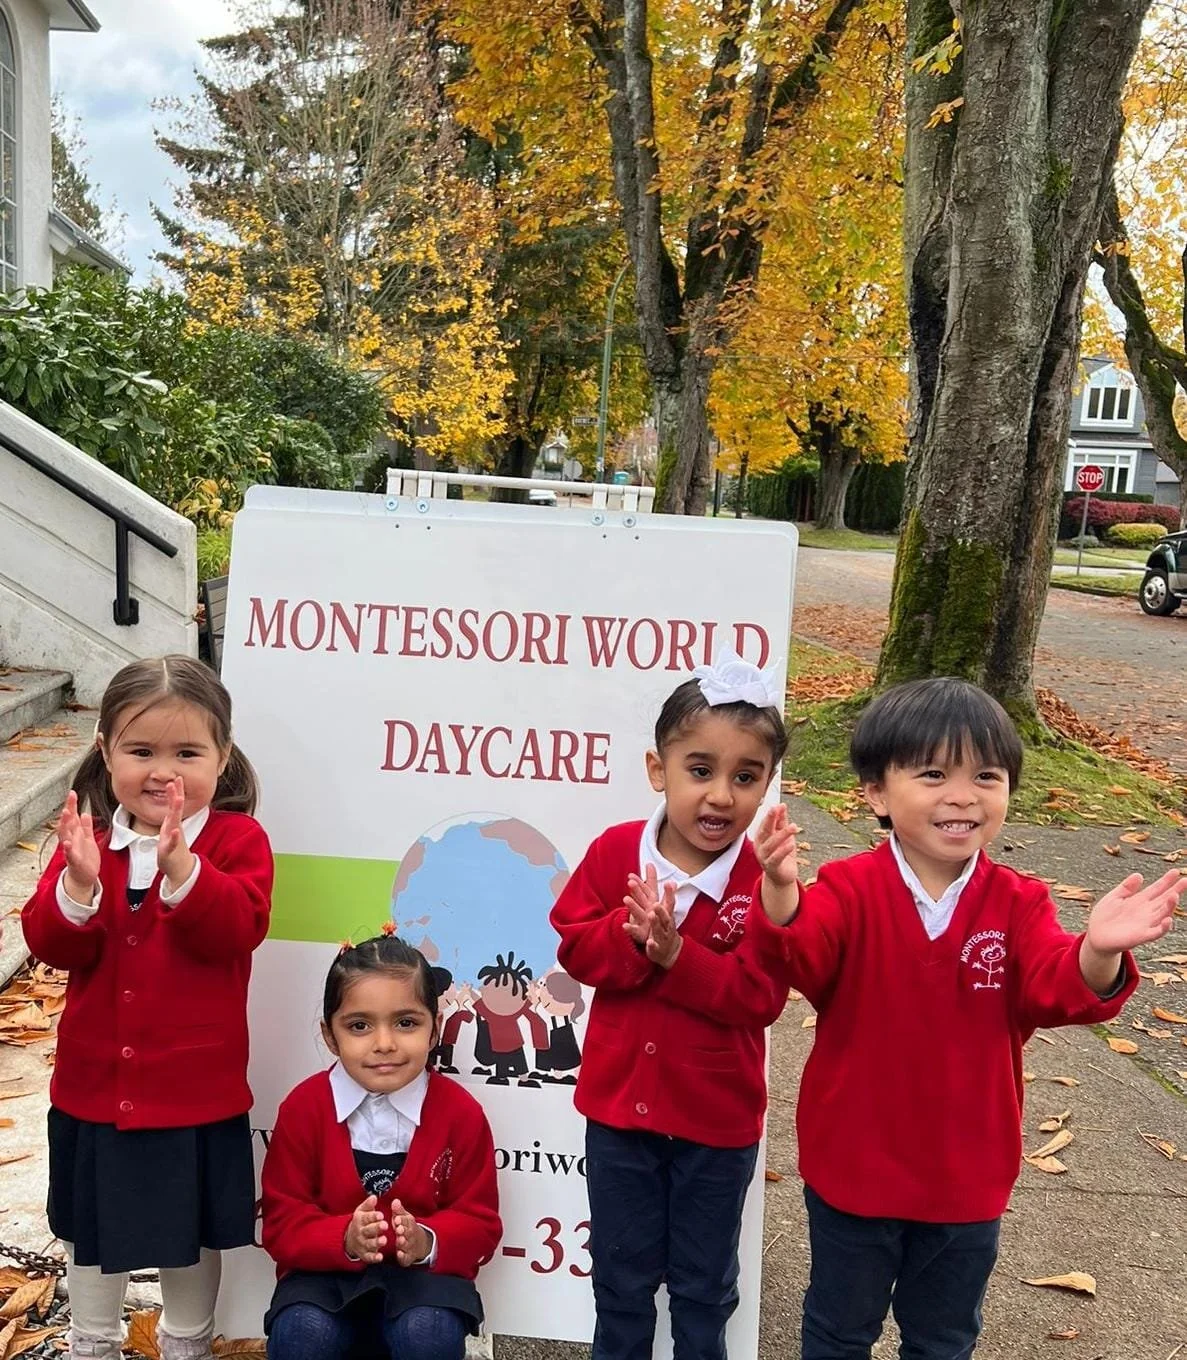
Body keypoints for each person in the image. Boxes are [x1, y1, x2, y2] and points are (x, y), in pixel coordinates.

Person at [745, 676, 1185, 1360]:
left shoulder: (1017, 903)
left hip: (966, 1176)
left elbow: (1054, 987)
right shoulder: (848, 890)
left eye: (985, 775)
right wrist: (779, 890)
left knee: (943, 1338)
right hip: (853, 1165)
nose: (962, 795)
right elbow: (800, 954)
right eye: (932, 774)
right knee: (837, 1330)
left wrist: (1096, 950)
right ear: (875, 792)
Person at [21, 656, 273, 1360]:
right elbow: (49, 943)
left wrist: (185, 871)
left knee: (189, 1236)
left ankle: (186, 1341)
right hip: (94, 1090)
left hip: (195, 1095)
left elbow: (238, 929)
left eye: (187, 753)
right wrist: (77, 886)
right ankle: (92, 1341)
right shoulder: (89, 842)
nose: (164, 772)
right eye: (141, 752)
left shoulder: (238, 841)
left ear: (223, 755)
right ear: (106, 753)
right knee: (90, 1232)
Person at [550, 649, 791, 1360]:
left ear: (767, 783)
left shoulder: (762, 880)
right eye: (700, 770)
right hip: (618, 1116)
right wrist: (630, 939)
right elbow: (573, 947)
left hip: (717, 1124)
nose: (720, 796)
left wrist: (676, 956)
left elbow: (760, 996)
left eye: (745, 777)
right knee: (620, 1280)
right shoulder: (615, 852)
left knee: (703, 1287)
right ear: (659, 770)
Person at [260, 933, 502, 1360]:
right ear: (330, 1036)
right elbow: (282, 1224)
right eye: (359, 1026)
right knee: (304, 1332)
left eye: (406, 1023)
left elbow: (480, 1222)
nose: (385, 1043)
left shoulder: (460, 1113)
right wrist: (344, 1238)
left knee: (427, 1332)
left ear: (435, 1029)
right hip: (321, 1277)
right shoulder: (304, 1108)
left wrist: (427, 1241)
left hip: (425, 1283)